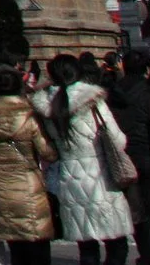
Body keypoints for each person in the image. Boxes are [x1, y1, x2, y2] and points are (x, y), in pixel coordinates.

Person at [39, 53, 136, 265]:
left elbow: (48, 148)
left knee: (87, 246)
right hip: (101, 179)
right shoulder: (93, 101)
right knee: (116, 242)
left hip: (69, 180)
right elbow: (118, 140)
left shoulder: (46, 107)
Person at [0, 65, 57, 265]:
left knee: (16, 251)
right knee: (38, 246)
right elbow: (48, 153)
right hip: (30, 186)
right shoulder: (29, 117)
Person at [105, 50, 150, 265]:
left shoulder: (111, 94)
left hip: (118, 158)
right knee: (149, 210)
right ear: (146, 69)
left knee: (125, 208)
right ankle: (148, 255)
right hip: (147, 157)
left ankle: (126, 253)